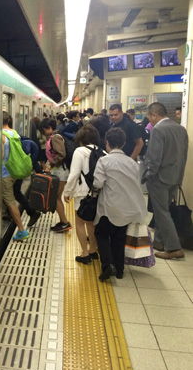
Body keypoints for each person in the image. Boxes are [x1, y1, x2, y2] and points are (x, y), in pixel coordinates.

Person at [93, 128, 147, 280]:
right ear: (124, 143)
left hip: (108, 206)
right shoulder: (132, 163)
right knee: (119, 237)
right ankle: (120, 270)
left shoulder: (104, 161)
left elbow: (98, 183)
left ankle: (107, 265)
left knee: (101, 233)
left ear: (107, 143)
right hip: (127, 207)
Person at [142, 102, 189, 259]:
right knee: (164, 210)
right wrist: (179, 177)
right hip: (175, 178)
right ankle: (160, 242)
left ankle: (174, 248)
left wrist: (149, 175)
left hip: (159, 179)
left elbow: (155, 157)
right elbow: (183, 156)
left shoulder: (158, 130)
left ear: (154, 115)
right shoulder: (181, 129)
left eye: (149, 118)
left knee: (161, 213)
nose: (150, 122)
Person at [64, 124, 101, 264]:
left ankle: (84, 253)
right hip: (96, 192)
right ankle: (93, 250)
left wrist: (67, 192)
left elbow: (74, 174)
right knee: (91, 222)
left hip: (81, 192)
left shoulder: (79, 151)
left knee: (79, 222)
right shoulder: (102, 151)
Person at [39, 119, 72, 232]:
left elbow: (61, 153)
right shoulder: (53, 137)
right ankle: (64, 221)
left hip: (61, 172)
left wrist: (51, 165)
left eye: (43, 130)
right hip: (59, 171)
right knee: (56, 197)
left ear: (48, 127)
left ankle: (65, 222)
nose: (43, 133)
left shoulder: (55, 138)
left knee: (55, 198)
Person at [2, 111, 30, 241]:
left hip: (4, 173)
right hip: (14, 172)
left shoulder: (1, 136)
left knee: (10, 201)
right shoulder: (14, 133)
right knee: (8, 198)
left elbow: (1, 156)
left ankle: (21, 229)